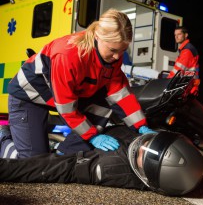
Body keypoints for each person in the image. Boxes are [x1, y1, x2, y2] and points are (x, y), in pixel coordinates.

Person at [1, 8, 155, 159]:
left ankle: (66, 153)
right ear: (97, 36)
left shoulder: (112, 55)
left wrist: (141, 125)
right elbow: (66, 106)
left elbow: (120, 92)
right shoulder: (68, 54)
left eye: (123, 50)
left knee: (103, 103)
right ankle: (3, 138)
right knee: (34, 164)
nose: (117, 56)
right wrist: (92, 136)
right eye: (113, 50)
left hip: (56, 97)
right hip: (29, 96)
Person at [0, 125, 203, 196]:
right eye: (152, 142)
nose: (141, 146)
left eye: (144, 155)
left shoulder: (110, 168)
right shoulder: (140, 146)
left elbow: (50, 169)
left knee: (25, 159)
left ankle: (3, 137)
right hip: (90, 133)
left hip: (75, 152)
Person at [167, 26, 200, 95]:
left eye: (179, 34)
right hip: (189, 83)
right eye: (175, 35)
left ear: (186, 35)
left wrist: (167, 81)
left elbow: (178, 70)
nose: (176, 37)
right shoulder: (186, 48)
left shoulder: (187, 50)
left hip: (186, 84)